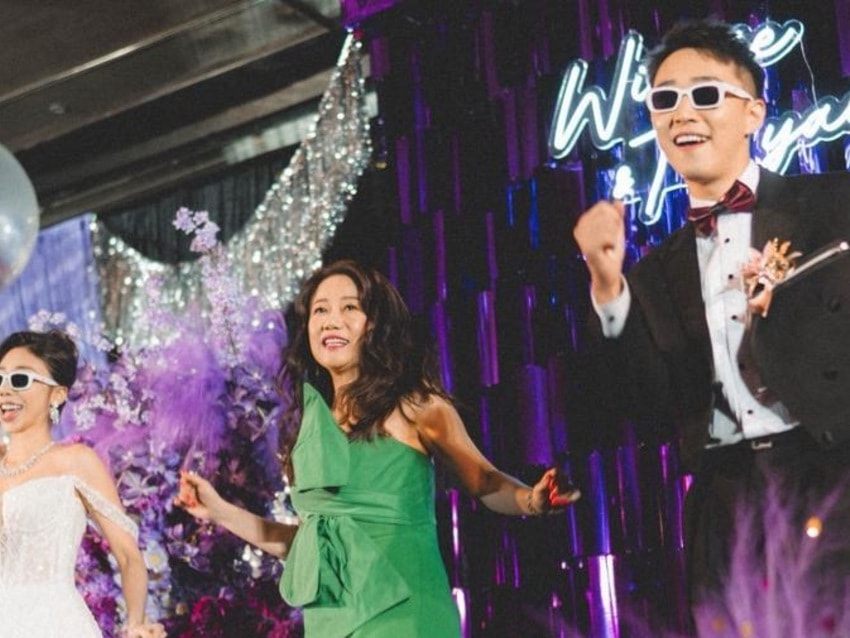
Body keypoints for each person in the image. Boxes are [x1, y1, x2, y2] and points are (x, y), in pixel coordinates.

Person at [573, 18, 850, 609]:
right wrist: (607, 285)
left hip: (832, 475)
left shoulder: (833, 204)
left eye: (704, 94)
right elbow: (646, 400)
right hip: (728, 506)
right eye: (664, 100)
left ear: (753, 113)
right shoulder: (652, 273)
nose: (682, 113)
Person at [175, 259, 580, 637]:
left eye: (349, 308)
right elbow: (311, 545)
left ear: (374, 325)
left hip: (406, 615)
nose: (331, 320)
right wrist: (219, 510)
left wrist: (531, 500)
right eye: (320, 310)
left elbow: (484, 481)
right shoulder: (309, 426)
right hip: (332, 622)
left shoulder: (416, 406)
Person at [0, 329, 166, 638]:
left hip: (54, 625)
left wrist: (135, 624)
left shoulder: (75, 461)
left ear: (57, 394)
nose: (4, 390)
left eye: (19, 379)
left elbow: (128, 555)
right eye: (0, 378)